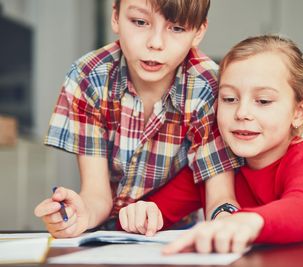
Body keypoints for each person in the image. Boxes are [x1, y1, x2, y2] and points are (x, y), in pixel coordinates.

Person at [34, 0, 242, 238]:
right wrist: (80, 215)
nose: (155, 43)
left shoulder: (210, 89)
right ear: (116, 17)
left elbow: (220, 196)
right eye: (140, 22)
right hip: (106, 235)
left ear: (198, 32)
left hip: (175, 233)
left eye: (176, 28)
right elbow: (97, 195)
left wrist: (227, 221)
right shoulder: (89, 77)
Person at [120, 34, 303, 253]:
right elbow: (158, 211)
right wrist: (143, 213)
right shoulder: (214, 166)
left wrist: (244, 222)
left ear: (299, 113)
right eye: (229, 99)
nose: (242, 113)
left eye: (263, 101)